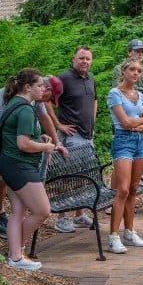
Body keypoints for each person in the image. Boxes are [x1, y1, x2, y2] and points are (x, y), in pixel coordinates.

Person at [0, 75, 64, 238]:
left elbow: (44, 118)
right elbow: (19, 137)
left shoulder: (34, 98)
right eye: (51, 98)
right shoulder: (18, 98)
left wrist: (57, 144)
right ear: (44, 89)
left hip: (1, 143)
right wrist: (44, 147)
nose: (48, 102)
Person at [0, 68, 60, 270]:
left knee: (18, 211)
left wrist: (39, 138)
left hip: (9, 163)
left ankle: (16, 255)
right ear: (28, 87)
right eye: (40, 85)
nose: (43, 89)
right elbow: (23, 144)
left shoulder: (16, 102)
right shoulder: (24, 108)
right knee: (42, 210)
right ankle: (15, 252)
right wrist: (46, 147)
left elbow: (22, 137)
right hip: (19, 165)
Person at [106, 57, 143, 254]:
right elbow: (124, 123)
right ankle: (113, 236)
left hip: (139, 142)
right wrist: (139, 121)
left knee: (134, 188)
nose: (136, 73)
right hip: (123, 141)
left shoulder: (140, 95)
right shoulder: (115, 94)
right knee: (123, 189)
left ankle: (130, 231)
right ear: (123, 71)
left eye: (139, 70)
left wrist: (137, 123)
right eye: (132, 69)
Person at [48, 45, 98, 233]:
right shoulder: (64, 78)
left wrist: (92, 123)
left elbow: (94, 100)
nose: (85, 62)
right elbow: (45, 100)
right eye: (81, 58)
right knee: (67, 177)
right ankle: (61, 218)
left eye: (88, 59)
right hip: (71, 135)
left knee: (84, 175)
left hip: (87, 135)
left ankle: (78, 215)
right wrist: (58, 125)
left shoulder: (90, 77)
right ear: (73, 59)